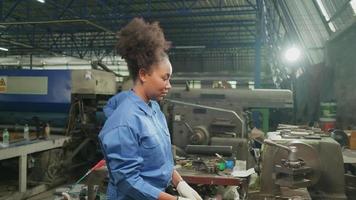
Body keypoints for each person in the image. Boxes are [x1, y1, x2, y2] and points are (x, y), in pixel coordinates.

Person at [98, 18, 202, 200]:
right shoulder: (124, 123)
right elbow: (129, 182)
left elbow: (162, 162)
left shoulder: (154, 110)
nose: (169, 85)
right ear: (144, 74)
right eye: (165, 78)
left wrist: (180, 183)